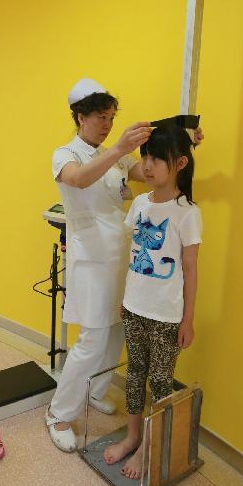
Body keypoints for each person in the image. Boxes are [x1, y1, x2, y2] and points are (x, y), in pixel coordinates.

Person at [44, 78, 153, 452]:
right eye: (100, 118)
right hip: (91, 259)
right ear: (80, 117)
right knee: (92, 339)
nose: (106, 125)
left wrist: (181, 143)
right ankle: (59, 414)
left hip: (121, 254)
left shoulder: (115, 156)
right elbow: (78, 180)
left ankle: (95, 390)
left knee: (118, 329)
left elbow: (147, 173)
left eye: (110, 118)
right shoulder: (65, 154)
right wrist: (120, 148)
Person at [102, 125, 202, 479]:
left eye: (157, 159)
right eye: (145, 157)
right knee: (134, 376)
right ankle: (132, 437)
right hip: (134, 309)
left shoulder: (187, 213)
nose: (147, 165)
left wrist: (187, 320)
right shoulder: (141, 203)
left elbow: (190, 270)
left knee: (160, 382)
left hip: (166, 317)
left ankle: (150, 444)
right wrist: (125, 299)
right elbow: (133, 257)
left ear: (180, 164)